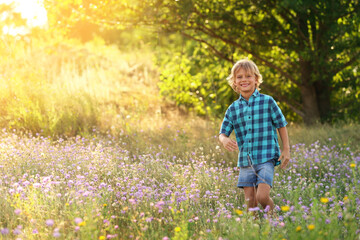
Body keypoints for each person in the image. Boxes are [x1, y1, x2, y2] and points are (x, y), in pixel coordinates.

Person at [219, 59, 290, 216]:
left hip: (266, 157)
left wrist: (286, 149)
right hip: (246, 160)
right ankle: (256, 232)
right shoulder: (233, 109)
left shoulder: (267, 101)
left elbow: (281, 124)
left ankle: (274, 221)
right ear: (234, 82)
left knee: (262, 196)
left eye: (248, 76)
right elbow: (223, 132)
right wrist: (224, 139)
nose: (244, 79)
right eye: (239, 77)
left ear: (256, 79)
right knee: (250, 203)